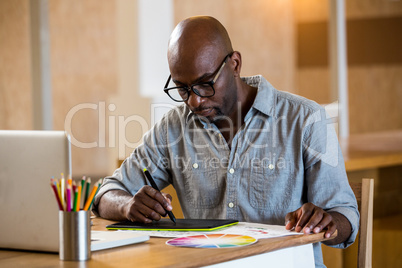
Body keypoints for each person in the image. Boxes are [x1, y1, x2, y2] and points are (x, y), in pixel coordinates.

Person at [93, 16, 359, 267]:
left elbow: (346, 217)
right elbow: (105, 193)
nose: (194, 100)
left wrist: (327, 221)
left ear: (234, 64)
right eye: (182, 88)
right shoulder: (173, 128)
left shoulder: (306, 119)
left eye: (205, 84)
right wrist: (127, 205)